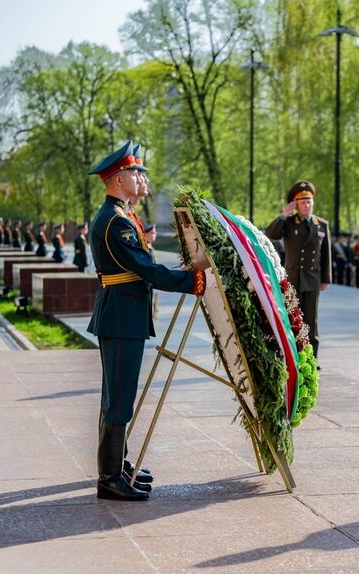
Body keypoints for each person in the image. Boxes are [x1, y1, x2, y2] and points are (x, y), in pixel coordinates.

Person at [87, 140, 209, 501]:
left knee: (117, 395)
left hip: (123, 312)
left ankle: (118, 466)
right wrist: (191, 280)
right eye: (134, 173)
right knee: (119, 398)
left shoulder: (119, 216)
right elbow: (145, 269)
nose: (140, 177)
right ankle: (110, 478)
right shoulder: (114, 222)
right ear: (119, 179)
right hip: (121, 315)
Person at [266, 180, 332, 359]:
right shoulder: (288, 223)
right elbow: (270, 234)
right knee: (291, 319)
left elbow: (326, 253)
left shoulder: (322, 225)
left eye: (309, 201)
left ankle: (311, 358)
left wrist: (326, 278)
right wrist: (282, 215)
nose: (307, 205)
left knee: (311, 321)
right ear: (296, 205)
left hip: (312, 279)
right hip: (293, 278)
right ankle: (292, 356)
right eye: (303, 202)